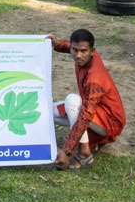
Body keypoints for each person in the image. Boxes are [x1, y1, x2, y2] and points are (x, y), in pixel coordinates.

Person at [47, 29, 125, 171]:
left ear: (92, 51)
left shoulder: (94, 78)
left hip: (109, 122)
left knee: (72, 101)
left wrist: (67, 151)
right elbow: (72, 47)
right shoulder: (86, 57)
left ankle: (84, 153)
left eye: (83, 51)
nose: (78, 56)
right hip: (95, 113)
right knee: (47, 112)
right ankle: (92, 142)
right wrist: (58, 44)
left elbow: (84, 116)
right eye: (74, 50)